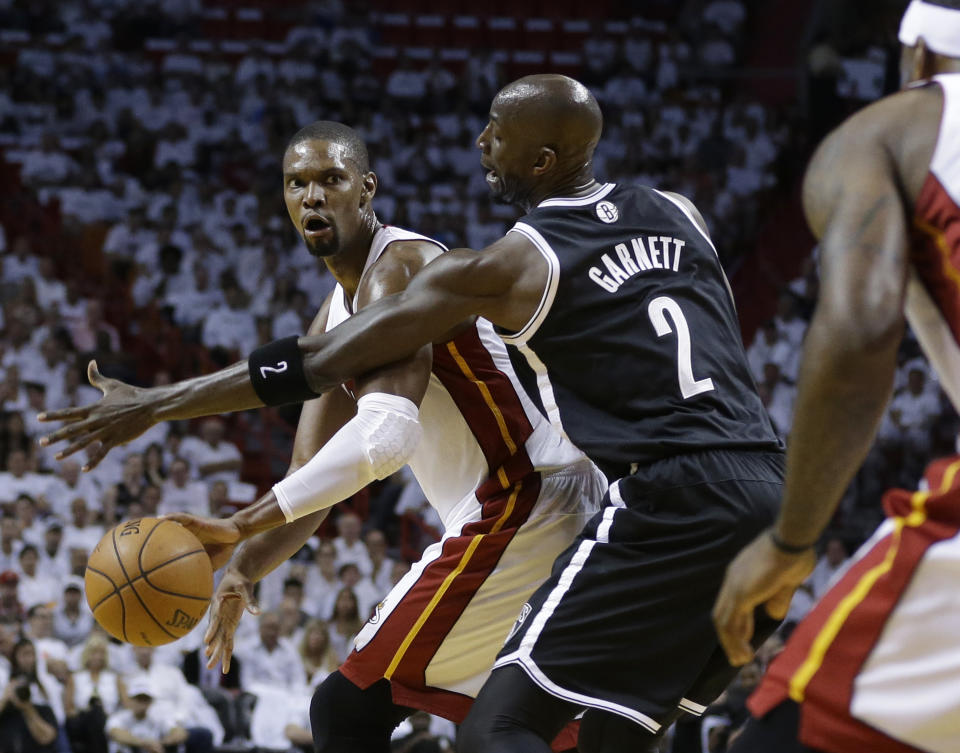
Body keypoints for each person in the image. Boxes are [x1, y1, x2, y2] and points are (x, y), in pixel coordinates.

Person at [39, 78, 781, 752]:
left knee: (351, 708)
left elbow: (385, 436)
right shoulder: (345, 304)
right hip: (692, 486)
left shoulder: (411, 267)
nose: (312, 197)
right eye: (297, 183)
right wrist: (246, 561)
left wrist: (166, 413)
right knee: (562, 728)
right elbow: (312, 475)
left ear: (368, 189)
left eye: (330, 179)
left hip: (523, 501)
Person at [711, 3, 960, 752]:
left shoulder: (890, 132)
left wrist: (792, 542)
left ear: (914, 56)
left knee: (793, 731)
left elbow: (859, 326)